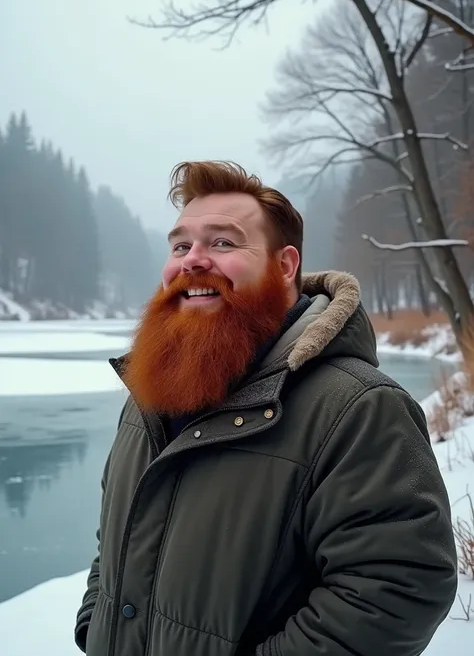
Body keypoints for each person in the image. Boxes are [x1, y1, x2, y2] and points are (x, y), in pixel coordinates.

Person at [75, 161, 457, 656]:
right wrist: (96, 622)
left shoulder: (358, 408)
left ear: (284, 266)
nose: (192, 260)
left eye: (223, 243)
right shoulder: (150, 395)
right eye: (180, 244)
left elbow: (398, 588)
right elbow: (119, 530)